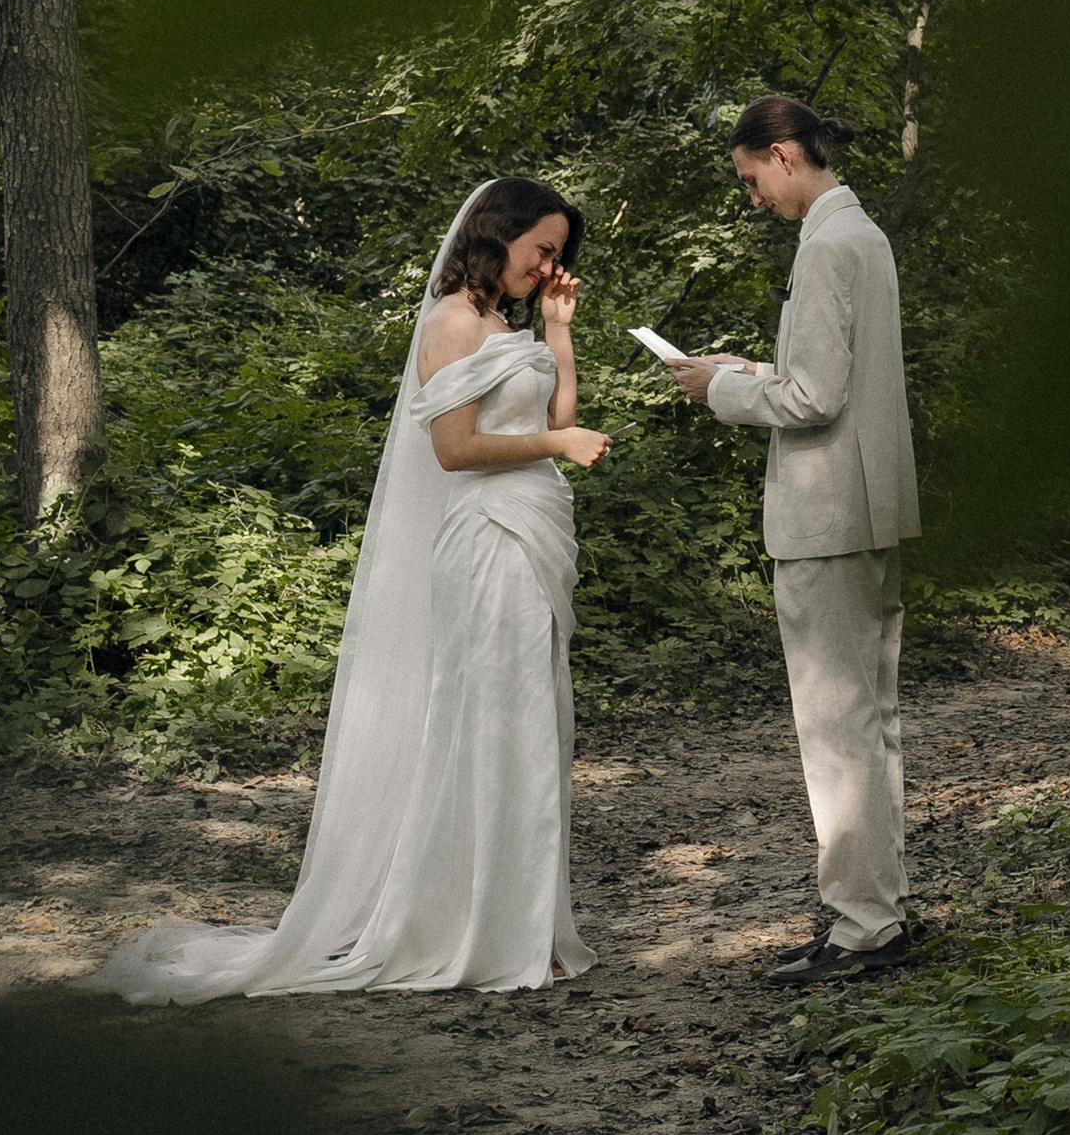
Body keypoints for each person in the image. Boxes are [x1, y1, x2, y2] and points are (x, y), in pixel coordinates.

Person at [81, 178, 611, 1004]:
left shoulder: (509, 323)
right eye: (542, 249)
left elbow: (554, 414)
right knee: (490, 723)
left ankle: (523, 926)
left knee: (532, 721)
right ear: (496, 235)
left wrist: (559, 335)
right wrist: (558, 441)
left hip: (533, 531)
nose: (551, 266)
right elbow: (456, 450)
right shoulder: (451, 324)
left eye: (558, 255)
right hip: (486, 540)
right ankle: (469, 930)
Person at [664, 95, 921, 986]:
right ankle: (875, 913)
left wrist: (717, 392)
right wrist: (753, 371)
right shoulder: (864, 236)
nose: (752, 198)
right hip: (870, 506)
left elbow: (813, 402)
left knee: (838, 727)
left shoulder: (826, 246)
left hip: (825, 515)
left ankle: (862, 928)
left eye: (749, 179)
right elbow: (830, 381)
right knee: (870, 721)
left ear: (781, 155)